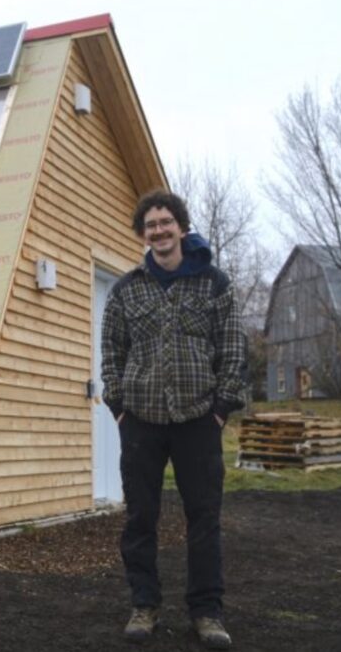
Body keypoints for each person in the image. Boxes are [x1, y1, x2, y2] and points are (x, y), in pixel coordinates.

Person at [100, 190, 247, 650]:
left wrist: (221, 409)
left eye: (166, 222)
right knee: (140, 518)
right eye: (151, 225)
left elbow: (234, 349)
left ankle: (207, 613)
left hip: (199, 419)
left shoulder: (214, 283)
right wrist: (119, 406)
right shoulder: (126, 289)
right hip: (140, 420)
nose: (159, 231)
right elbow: (111, 352)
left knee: (204, 519)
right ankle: (144, 605)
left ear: (181, 227)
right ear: (143, 234)